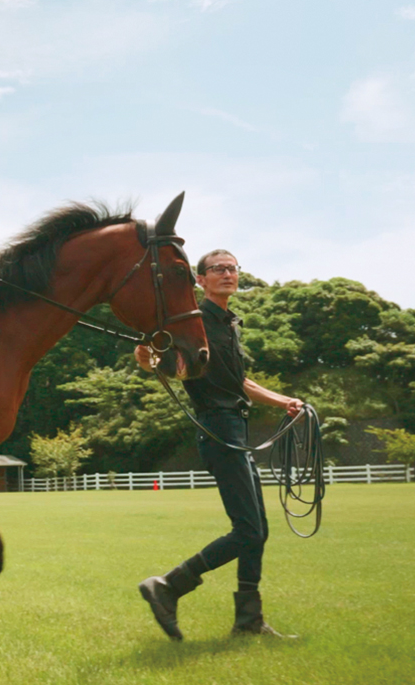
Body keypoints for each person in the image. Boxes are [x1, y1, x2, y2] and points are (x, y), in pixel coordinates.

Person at [134, 249, 304, 639]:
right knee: (248, 530)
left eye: (232, 268)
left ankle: (248, 621)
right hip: (218, 430)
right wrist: (144, 359)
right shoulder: (195, 321)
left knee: (256, 528)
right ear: (200, 280)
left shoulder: (229, 324)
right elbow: (170, 365)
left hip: (236, 429)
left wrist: (285, 402)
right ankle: (169, 585)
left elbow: (238, 382)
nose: (227, 274)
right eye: (217, 269)